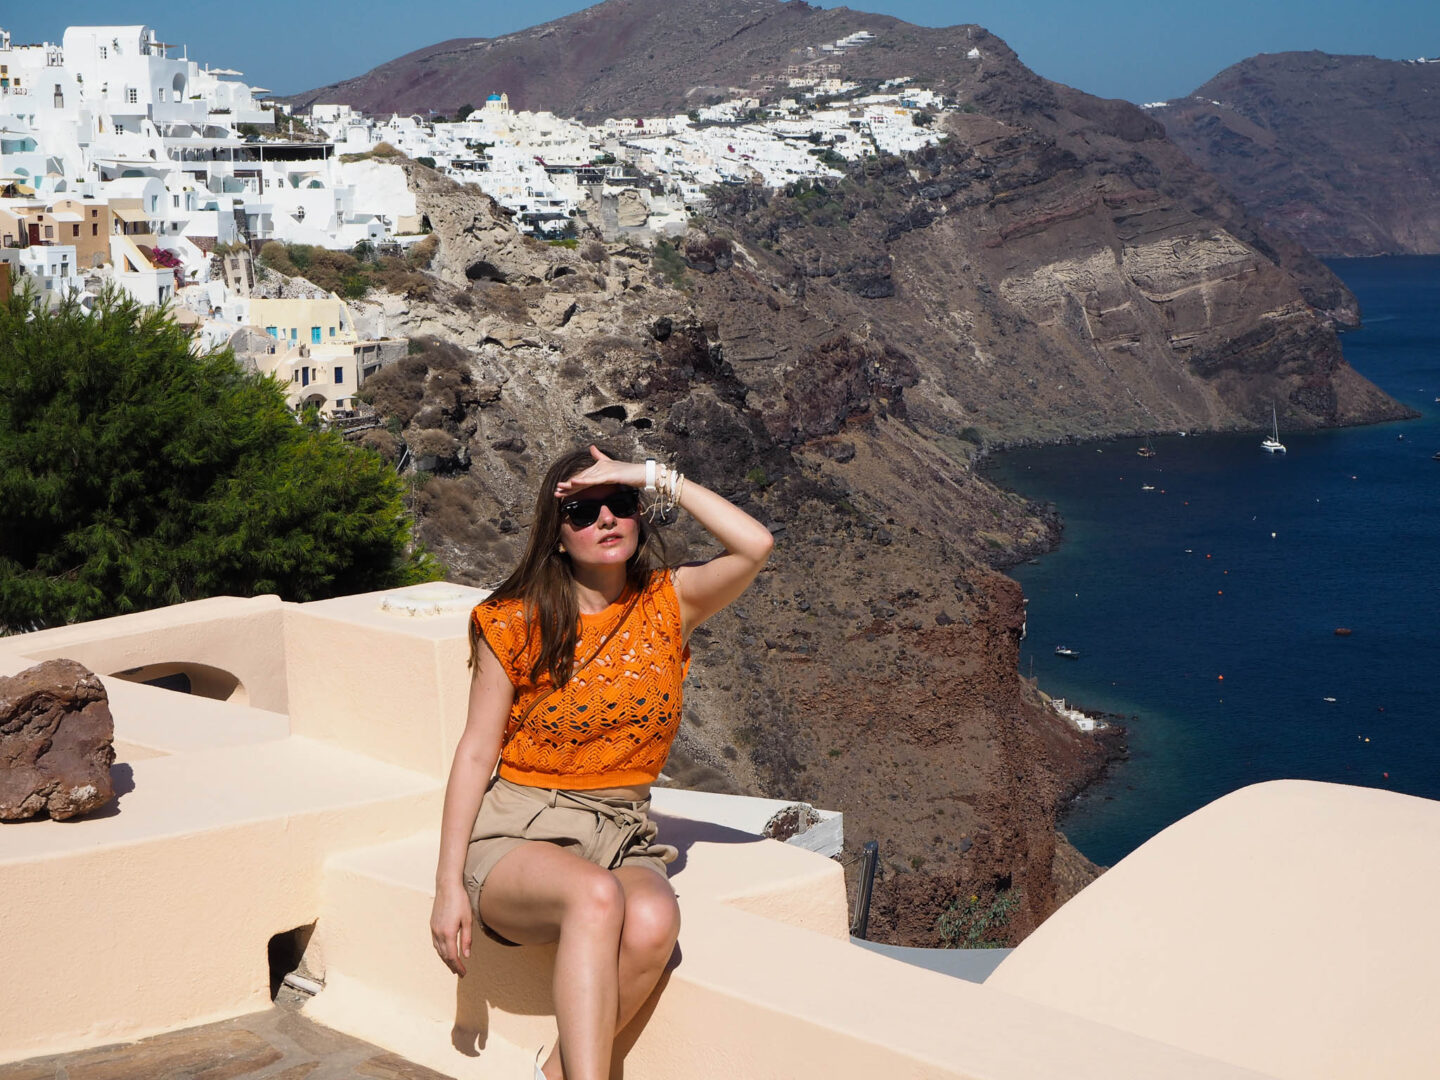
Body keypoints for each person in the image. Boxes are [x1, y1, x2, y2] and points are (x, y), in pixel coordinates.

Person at [430, 445, 773, 1080]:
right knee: (594, 897)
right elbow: (476, 751)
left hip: (622, 831)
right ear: (556, 536)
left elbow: (754, 546)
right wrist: (447, 884)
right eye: (583, 511)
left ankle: (557, 1070)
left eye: (620, 506)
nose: (607, 520)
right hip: (518, 828)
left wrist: (647, 474)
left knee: (652, 920)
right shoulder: (513, 622)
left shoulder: (669, 605)